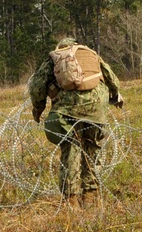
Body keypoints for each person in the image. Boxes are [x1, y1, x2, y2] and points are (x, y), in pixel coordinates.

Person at [28, 37, 124, 207]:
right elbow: (112, 78)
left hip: (68, 110)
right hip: (96, 107)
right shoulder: (91, 54)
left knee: (71, 150)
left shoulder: (55, 57)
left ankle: (71, 200)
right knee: (92, 151)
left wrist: (38, 108)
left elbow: (37, 86)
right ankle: (91, 197)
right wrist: (115, 96)